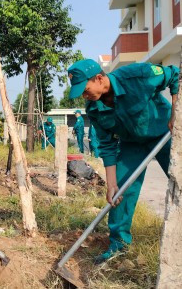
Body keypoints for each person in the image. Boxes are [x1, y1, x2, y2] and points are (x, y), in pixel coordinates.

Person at [67, 58, 178, 264]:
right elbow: (107, 146)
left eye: (85, 89)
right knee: (119, 194)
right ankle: (119, 245)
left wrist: (175, 112)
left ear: (99, 79)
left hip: (165, 133)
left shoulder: (138, 76)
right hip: (132, 145)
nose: (84, 95)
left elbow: (174, 74)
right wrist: (111, 185)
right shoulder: (94, 109)